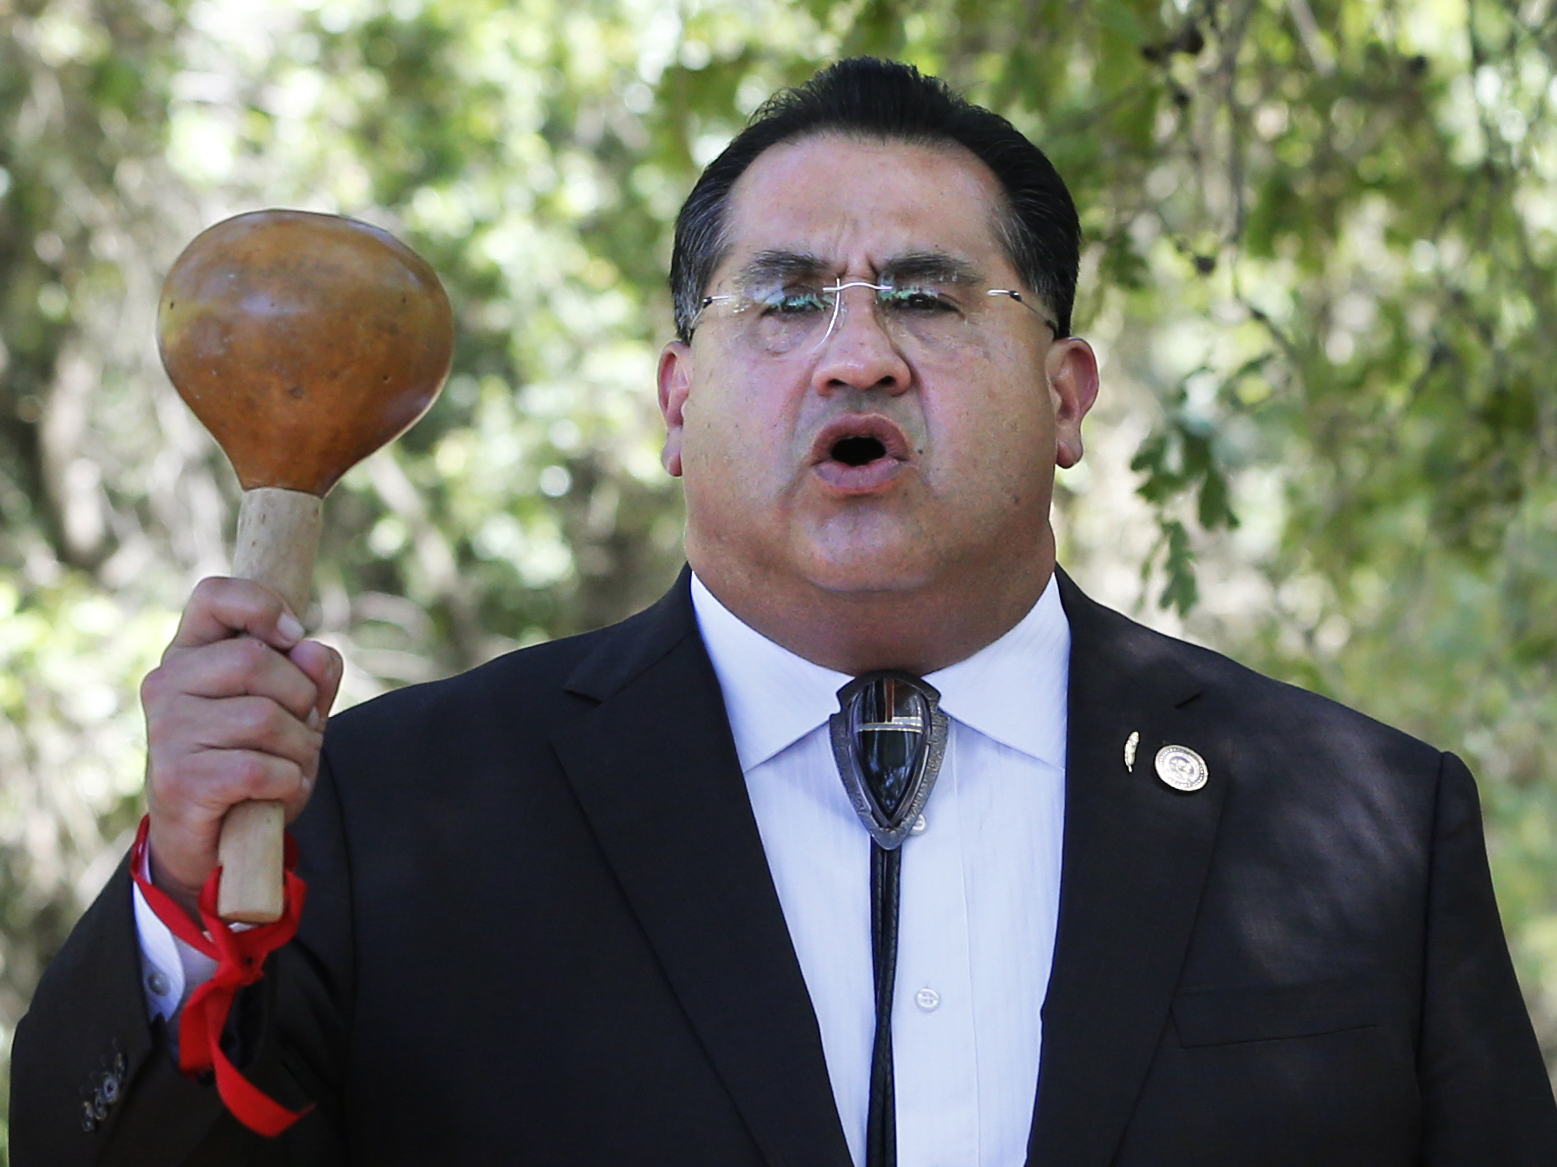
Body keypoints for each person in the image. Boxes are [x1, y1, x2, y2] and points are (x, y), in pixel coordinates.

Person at [12, 58, 1557, 1167]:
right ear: (677, 403)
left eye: (931, 296)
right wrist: (182, 900)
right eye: (784, 298)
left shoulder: (1364, 822)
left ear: (1067, 396)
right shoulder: (379, 812)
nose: (858, 354)